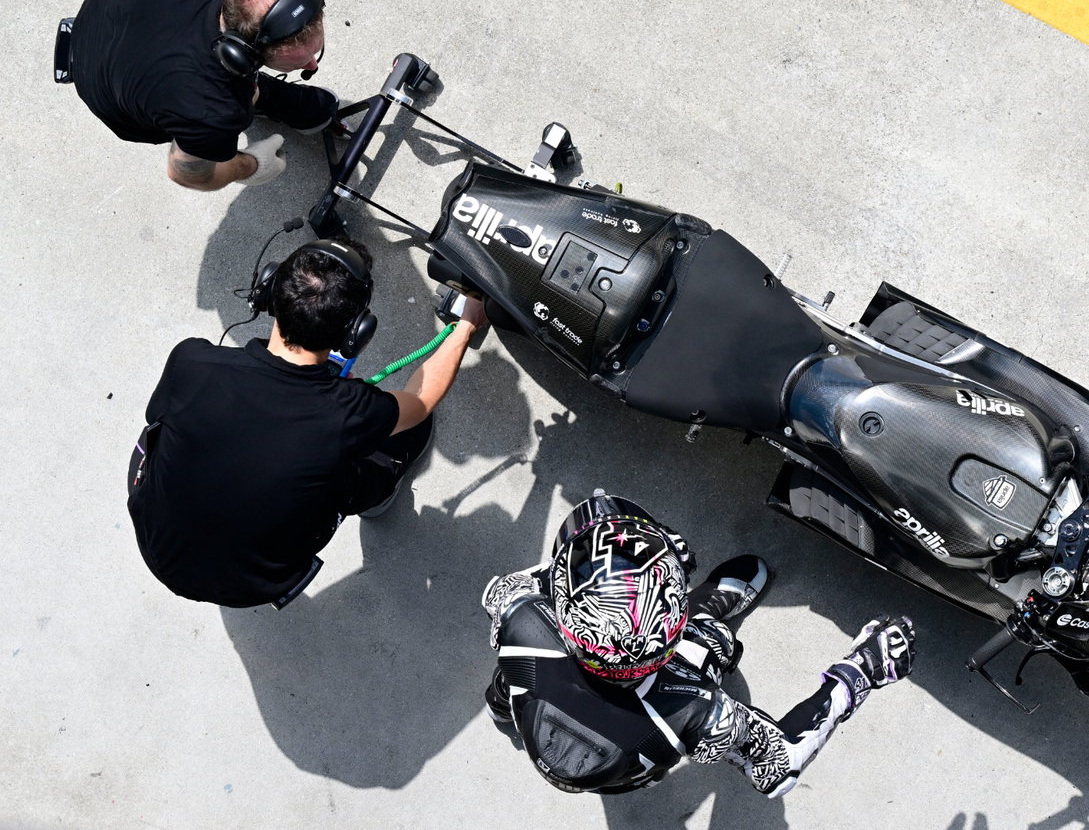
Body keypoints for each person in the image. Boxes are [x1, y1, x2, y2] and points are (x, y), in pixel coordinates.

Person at [479, 490, 917, 795]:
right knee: (708, 645)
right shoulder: (696, 710)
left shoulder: (519, 614)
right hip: (629, 770)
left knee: (509, 683)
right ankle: (704, 616)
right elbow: (779, 768)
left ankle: (505, 721)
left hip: (538, 719)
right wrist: (861, 672)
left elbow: (550, 574)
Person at [127, 238, 488, 608]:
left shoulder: (192, 361)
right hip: (255, 584)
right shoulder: (351, 412)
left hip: (156, 546)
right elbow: (421, 401)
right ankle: (377, 496)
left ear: (267, 291)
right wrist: (466, 325)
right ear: (356, 332)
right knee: (405, 434)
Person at [68, 0, 340, 191]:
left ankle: (259, 95)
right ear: (242, 54)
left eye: (311, 56)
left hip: (110, 7)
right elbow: (187, 172)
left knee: (234, 97)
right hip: (101, 81)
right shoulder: (208, 108)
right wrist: (250, 166)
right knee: (224, 111)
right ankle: (257, 98)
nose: (312, 67)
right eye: (300, 64)